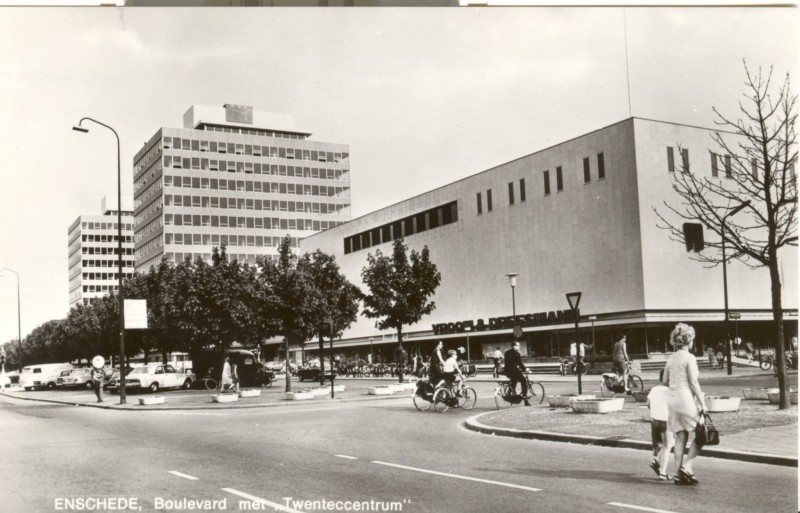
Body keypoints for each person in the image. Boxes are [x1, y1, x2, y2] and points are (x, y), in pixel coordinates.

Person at [662, 323, 708, 485]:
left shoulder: (671, 358)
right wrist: (703, 403)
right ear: (689, 341)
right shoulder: (689, 358)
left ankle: (677, 474)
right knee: (701, 433)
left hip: (672, 400)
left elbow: (664, 380)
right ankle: (687, 467)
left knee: (680, 436)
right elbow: (693, 382)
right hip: (685, 398)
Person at [647, 369, 674, 480]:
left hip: (655, 420)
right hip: (665, 420)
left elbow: (648, 403)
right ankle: (662, 472)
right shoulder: (670, 391)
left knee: (669, 443)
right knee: (668, 446)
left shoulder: (654, 389)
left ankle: (656, 460)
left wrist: (654, 412)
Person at [504, 341, 530, 406]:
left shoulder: (506, 352)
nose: (519, 347)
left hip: (507, 371)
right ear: (514, 346)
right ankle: (524, 396)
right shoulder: (517, 353)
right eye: (518, 345)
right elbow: (520, 363)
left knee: (513, 381)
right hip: (514, 371)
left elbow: (508, 362)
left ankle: (510, 393)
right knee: (523, 381)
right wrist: (525, 369)